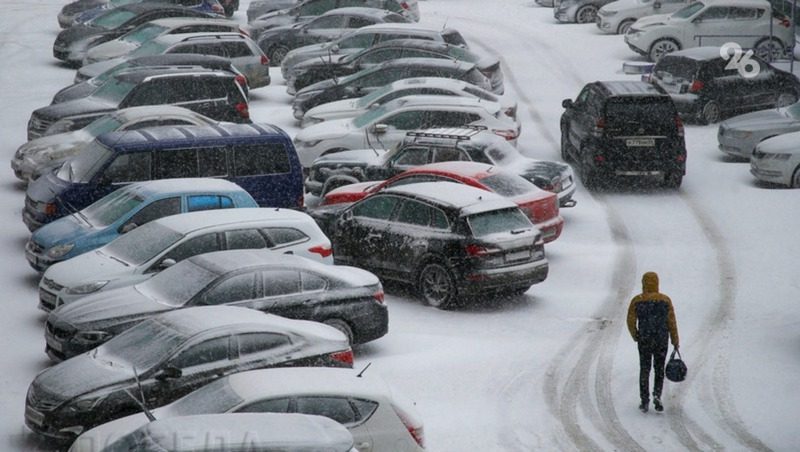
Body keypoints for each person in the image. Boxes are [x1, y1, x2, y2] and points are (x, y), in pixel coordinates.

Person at [627, 271, 679, 413]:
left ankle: (644, 400)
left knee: (645, 368)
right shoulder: (665, 300)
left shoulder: (637, 300)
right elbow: (671, 321)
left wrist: (635, 335)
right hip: (661, 339)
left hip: (645, 339)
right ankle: (657, 395)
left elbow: (630, 320)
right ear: (657, 283)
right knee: (659, 369)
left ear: (643, 283)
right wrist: (675, 340)